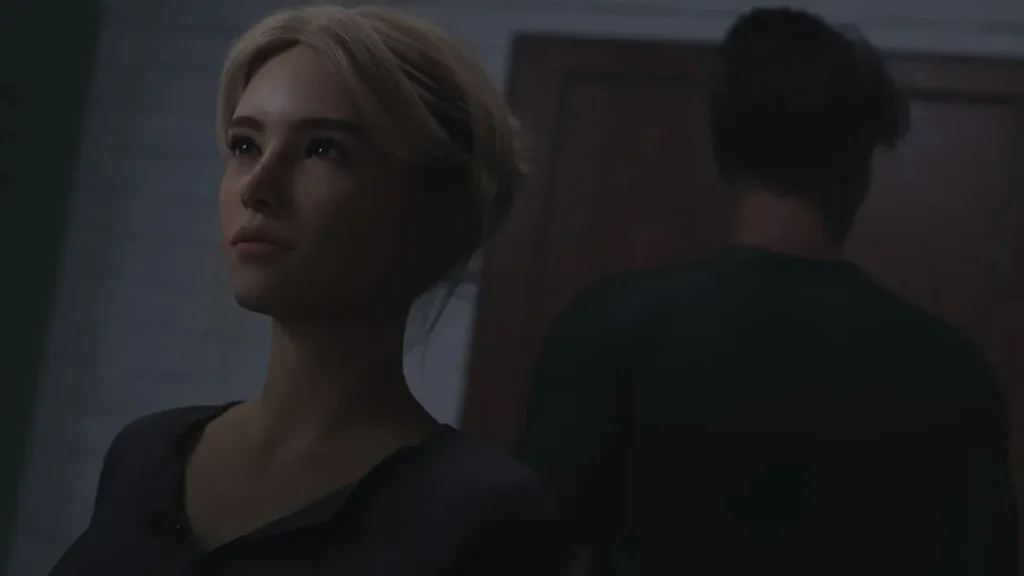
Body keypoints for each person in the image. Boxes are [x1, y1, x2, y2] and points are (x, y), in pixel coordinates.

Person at [50, 5, 560, 575]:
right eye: (244, 146)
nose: (257, 188)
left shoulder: (480, 512)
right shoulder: (147, 452)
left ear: (439, 211)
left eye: (323, 149)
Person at [514, 8, 1018, 576]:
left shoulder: (612, 328)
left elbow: (523, 549)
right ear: (859, 170)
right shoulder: (951, 370)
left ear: (723, 151)